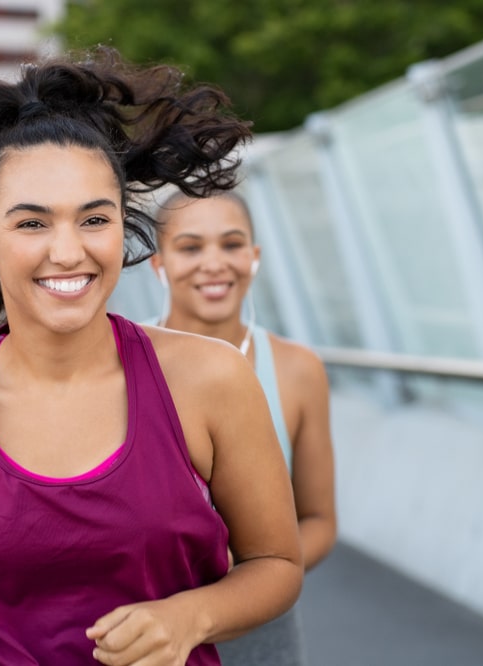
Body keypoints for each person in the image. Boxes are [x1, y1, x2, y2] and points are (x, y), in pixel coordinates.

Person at [0, 47, 303, 665]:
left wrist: (191, 616)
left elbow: (275, 563)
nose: (68, 251)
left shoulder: (211, 379)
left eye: (94, 219)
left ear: (122, 226)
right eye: (32, 224)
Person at [150, 190, 337, 666]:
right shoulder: (118, 362)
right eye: (190, 248)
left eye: (231, 245)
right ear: (158, 264)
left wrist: (253, 571)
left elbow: (318, 519)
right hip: (146, 629)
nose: (214, 263)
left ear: (253, 257)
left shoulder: (298, 370)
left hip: (261, 635)